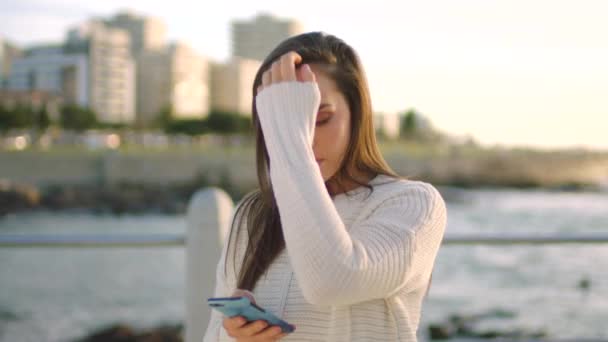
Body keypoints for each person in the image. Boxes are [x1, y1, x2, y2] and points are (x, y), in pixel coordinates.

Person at [203, 31, 447, 342]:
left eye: (320, 119)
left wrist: (290, 139)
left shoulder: (413, 204)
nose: (305, 139)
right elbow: (210, 335)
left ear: (357, 114)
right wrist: (237, 336)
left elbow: (333, 279)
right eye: (285, 121)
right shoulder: (254, 215)